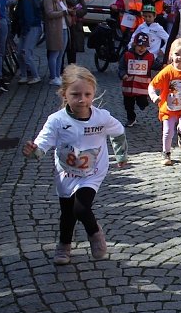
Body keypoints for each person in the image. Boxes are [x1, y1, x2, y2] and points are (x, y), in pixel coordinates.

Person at [21, 65, 128, 264]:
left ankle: (95, 233)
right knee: (67, 213)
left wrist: (121, 156)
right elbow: (42, 143)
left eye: (87, 94)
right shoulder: (57, 120)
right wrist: (33, 151)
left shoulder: (101, 117)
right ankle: (64, 246)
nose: (82, 99)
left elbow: (118, 131)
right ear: (64, 94)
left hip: (92, 172)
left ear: (94, 93)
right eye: (76, 94)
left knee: (81, 208)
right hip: (67, 173)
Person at [149, 38, 181, 166]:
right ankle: (166, 153)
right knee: (167, 131)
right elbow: (152, 85)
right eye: (177, 54)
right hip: (169, 107)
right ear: (171, 55)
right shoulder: (167, 71)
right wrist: (153, 96)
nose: (180, 57)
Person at [118, 32, 155, 127]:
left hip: (142, 88)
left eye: (144, 46)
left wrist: (163, 66)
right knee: (128, 105)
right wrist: (123, 75)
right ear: (134, 45)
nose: (142, 48)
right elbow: (121, 67)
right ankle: (131, 119)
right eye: (139, 46)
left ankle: (144, 103)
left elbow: (155, 64)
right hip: (128, 87)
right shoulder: (127, 55)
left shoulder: (150, 57)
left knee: (142, 102)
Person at [15, 0, 44, 85]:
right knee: (20, 52)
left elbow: (28, 15)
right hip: (27, 26)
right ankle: (24, 75)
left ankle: (35, 75)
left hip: (32, 26)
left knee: (26, 52)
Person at [42, 0, 73, 87]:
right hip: (54, 30)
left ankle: (58, 75)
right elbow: (49, 14)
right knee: (54, 53)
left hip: (64, 28)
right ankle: (53, 76)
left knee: (61, 53)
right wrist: (64, 12)